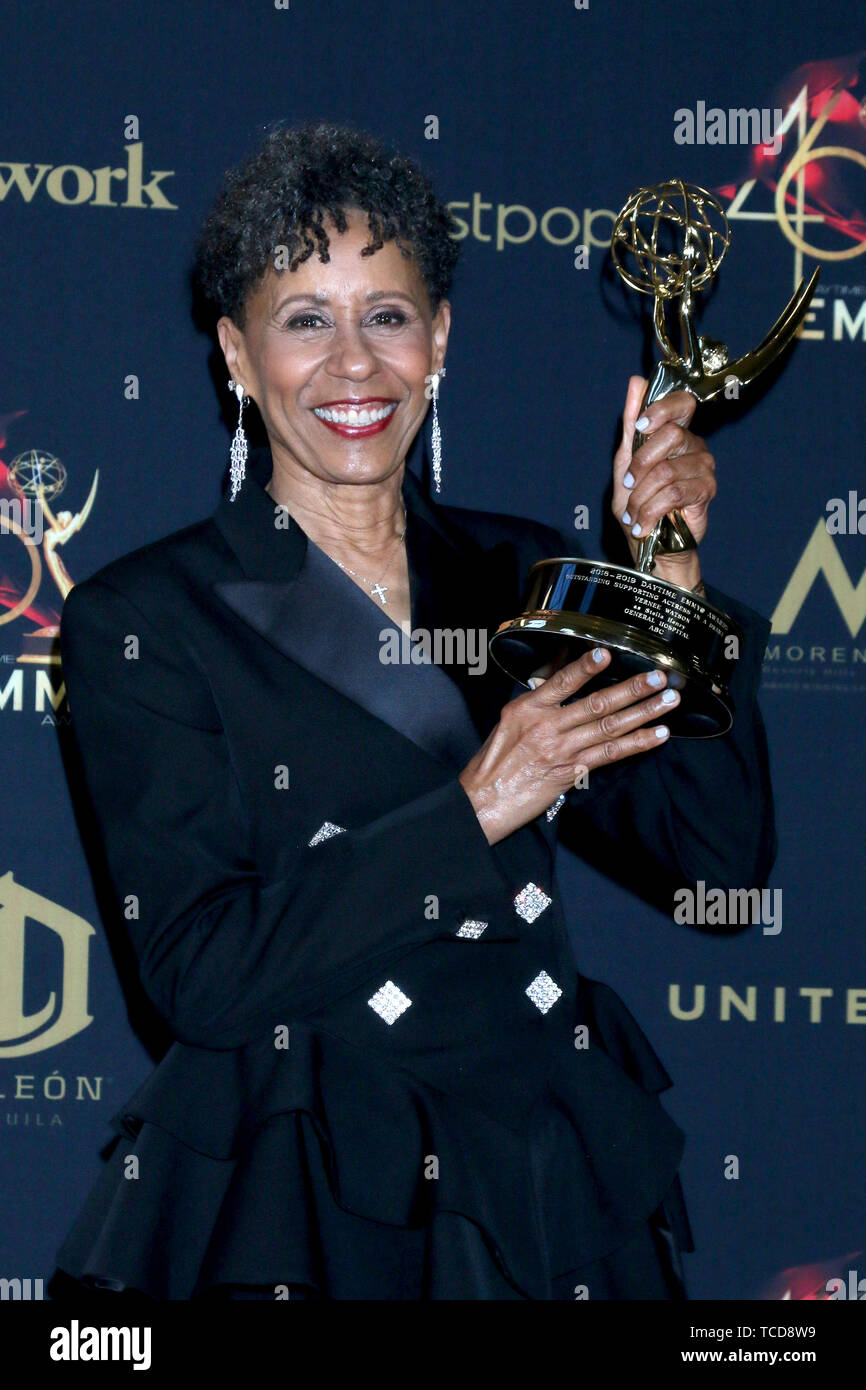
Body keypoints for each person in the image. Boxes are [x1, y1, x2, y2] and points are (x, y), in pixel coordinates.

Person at [51, 121, 775, 1301]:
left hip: (537, 1176)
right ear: (236, 356)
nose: (353, 365)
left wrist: (669, 592)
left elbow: (717, 864)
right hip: (316, 1191)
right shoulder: (149, 615)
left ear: (437, 340)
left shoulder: (522, 574)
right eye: (305, 320)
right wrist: (477, 803)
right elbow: (197, 973)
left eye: (386, 315)